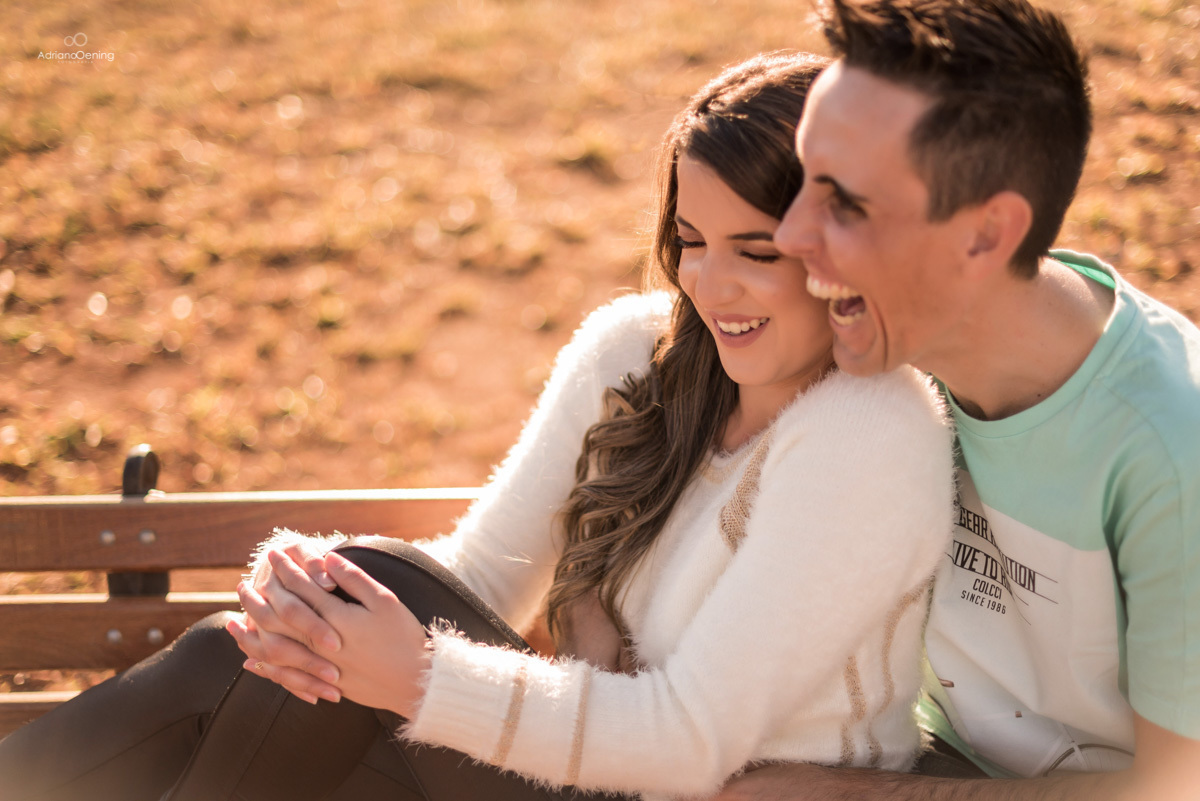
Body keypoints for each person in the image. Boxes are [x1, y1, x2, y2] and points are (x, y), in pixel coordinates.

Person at [0, 52, 957, 801]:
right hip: (568, 774)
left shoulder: (871, 432)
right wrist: (308, 588)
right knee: (245, 654)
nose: (712, 284)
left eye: (755, 249)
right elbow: (479, 576)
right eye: (691, 244)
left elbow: (687, 740)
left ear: (839, 250)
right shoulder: (637, 353)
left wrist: (418, 676)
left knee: (304, 646)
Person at [709, 1, 1200, 799]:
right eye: (804, 184)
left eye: (845, 203)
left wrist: (850, 794)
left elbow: (1176, 789)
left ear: (984, 235)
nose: (793, 235)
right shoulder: (885, 328)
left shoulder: (1174, 452)